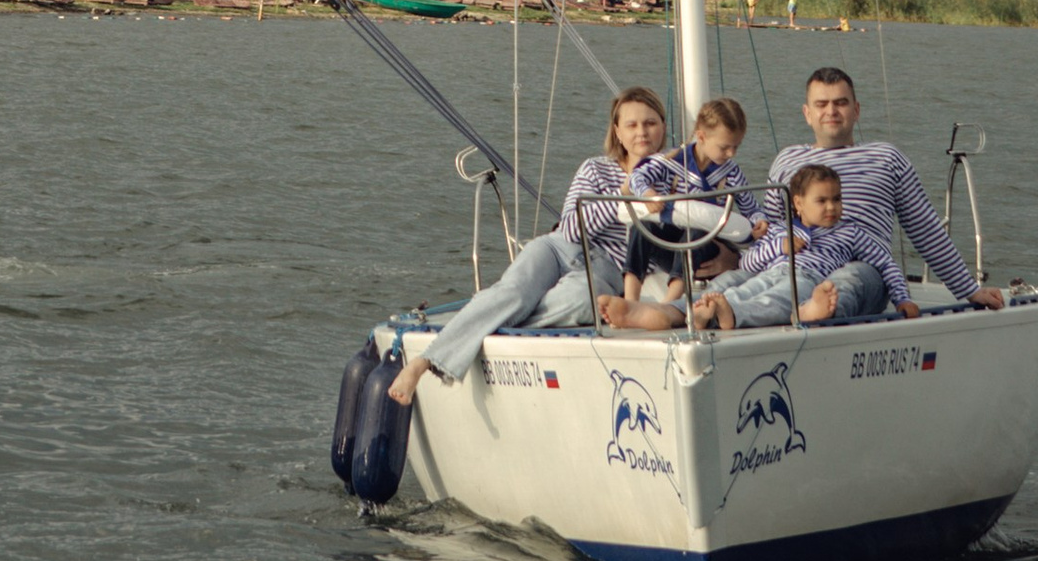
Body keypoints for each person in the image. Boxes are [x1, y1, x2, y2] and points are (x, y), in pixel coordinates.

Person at [387, 86, 667, 405]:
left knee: (577, 302)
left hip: (607, 268)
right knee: (515, 293)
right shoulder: (595, 169)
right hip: (560, 246)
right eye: (631, 125)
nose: (641, 132)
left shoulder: (677, 181)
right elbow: (573, 228)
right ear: (617, 131)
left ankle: (479, 326)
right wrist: (623, 193)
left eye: (650, 123)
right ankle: (422, 363)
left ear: (663, 125)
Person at [766, 66, 1006, 310]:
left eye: (841, 103)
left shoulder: (886, 158)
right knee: (743, 280)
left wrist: (969, 289)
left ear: (856, 110)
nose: (831, 111)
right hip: (799, 267)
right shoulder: (786, 160)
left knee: (851, 278)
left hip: (866, 270)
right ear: (807, 113)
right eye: (821, 104)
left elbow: (925, 228)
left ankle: (818, 310)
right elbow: (771, 229)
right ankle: (739, 313)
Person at [599, 96, 760, 329]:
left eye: (736, 146)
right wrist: (649, 194)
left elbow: (751, 207)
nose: (731, 153)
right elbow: (637, 177)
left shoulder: (731, 173)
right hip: (672, 241)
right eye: (725, 147)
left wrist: (759, 221)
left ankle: (667, 304)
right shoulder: (672, 161)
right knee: (644, 226)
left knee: (695, 231)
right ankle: (630, 301)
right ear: (702, 136)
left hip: (708, 246)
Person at [688, 162, 909, 331]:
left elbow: (885, 263)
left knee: (777, 299)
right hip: (771, 272)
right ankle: (703, 312)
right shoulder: (779, 230)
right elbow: (748, 262)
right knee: (744, 289)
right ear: (798, 203)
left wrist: (903, 299)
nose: (832, 207)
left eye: (837, 199)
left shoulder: (849, 232)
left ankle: (732, 315)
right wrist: (779, 248)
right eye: (821, 201)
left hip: (808, 278)